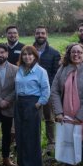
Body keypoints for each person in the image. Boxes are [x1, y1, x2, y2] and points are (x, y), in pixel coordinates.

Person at [14, 45, 50, 166]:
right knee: (20, 135)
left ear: (35, 56)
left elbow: (46, 90)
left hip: (32, 104)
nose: (27, 57)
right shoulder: (19, 70)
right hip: (19, 104)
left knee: (31, 136)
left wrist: (39, 104)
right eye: (24, 54)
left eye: (30, 54)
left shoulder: (41, 71)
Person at [33, 25, 60, 154]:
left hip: (48, 91)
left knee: (49, 118)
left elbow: (55, 74)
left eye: (43, 33)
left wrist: (46, 88)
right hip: (31, 92)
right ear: (34, 35)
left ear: (46, 35)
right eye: (38, 33)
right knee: (34, 118)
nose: (40, 35)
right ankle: (35, 142)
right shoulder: (28, 51)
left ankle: (51, 143)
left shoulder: (54, 53)